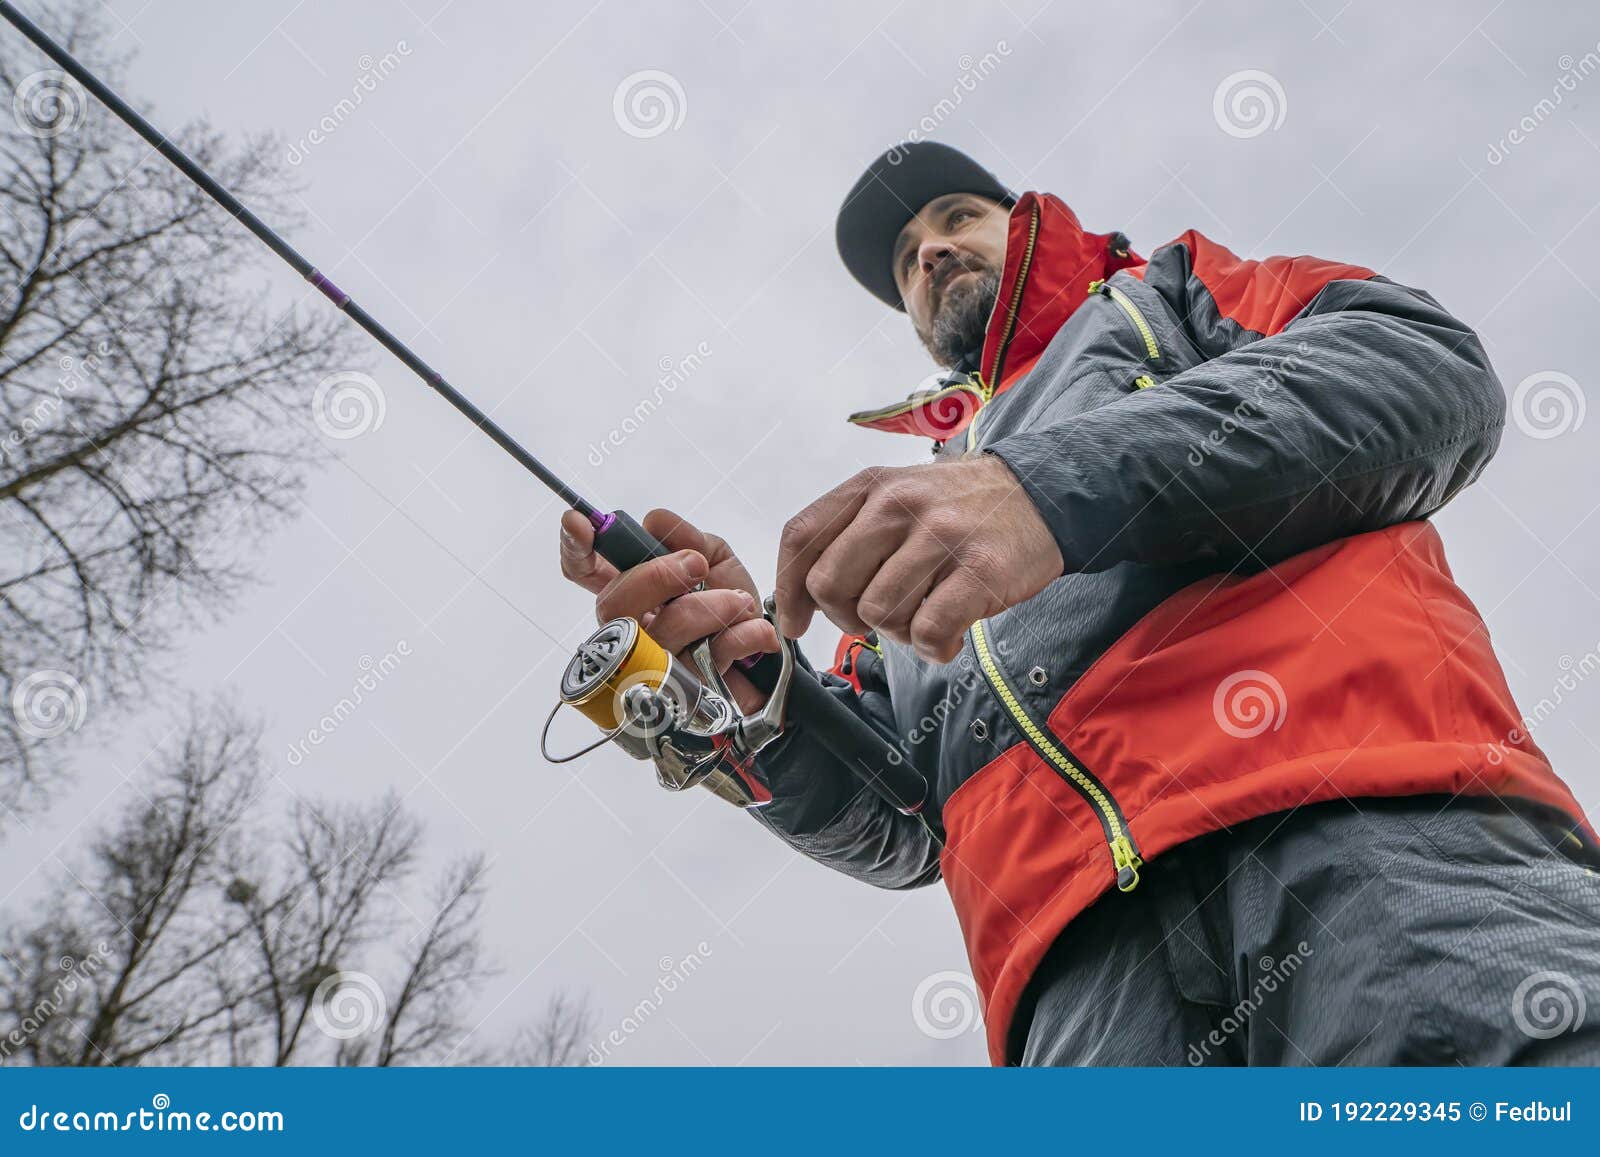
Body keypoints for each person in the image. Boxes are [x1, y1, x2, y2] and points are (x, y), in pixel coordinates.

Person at [559, 141, 1600, 1066]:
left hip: (1375, 833)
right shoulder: (923, 516)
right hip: (1075, 993)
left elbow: (1419, 370)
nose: (928, 253)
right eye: (904, 261)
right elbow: (907, 822)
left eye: (956, 216)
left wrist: (1046, 489)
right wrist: (753, 685)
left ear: (1025, 224)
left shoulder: (1177, 291)